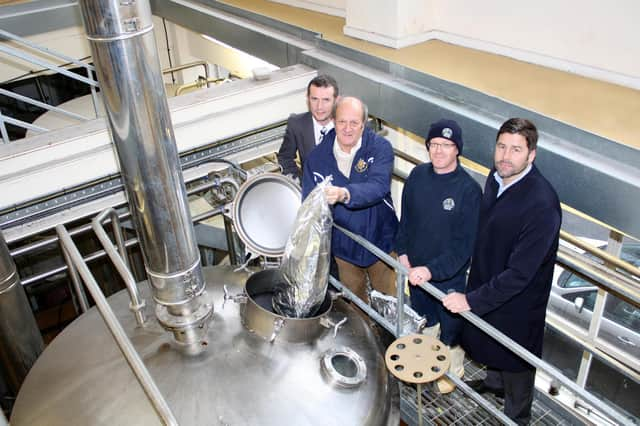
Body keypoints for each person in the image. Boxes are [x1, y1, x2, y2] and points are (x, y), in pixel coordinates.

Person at [443, 118, 561, 424]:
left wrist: (470, 300)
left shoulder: (542, 204)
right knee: (490, 344)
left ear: (531, 155)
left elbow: (521, 274)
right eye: (502, 146)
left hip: (520, 301)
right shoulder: (496, 177)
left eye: (516, 150)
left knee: (517, 360)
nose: (506, 156)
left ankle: (518, 417)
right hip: (488, 282)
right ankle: (494, 384)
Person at [396, 119, 481, 394]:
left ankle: (453, 372)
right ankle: (427, 362)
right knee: (425, 320)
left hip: (448, 279)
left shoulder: (469, 191)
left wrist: (431, 271)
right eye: (434, 145)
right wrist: (404, 252)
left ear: (457, 150)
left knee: (451, 331)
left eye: (447, 145)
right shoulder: (418, 176)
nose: (439, 151)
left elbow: (464, 248)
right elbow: (405, 220)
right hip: (417, 273)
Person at [302, 97, 398, 304]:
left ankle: (390, 334)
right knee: (355, 302)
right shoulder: (317, 158)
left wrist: (345, 194)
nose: (347, 128)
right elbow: (309, 202)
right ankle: (365, 333)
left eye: (354, 123)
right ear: (333, 122)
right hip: (344, 246)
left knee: (389, 300)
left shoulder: (380, 148)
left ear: (363, 124)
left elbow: (378, 186)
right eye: (342, 122)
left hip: (380, 241)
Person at [277, 74, 339, 180]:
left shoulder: (350, 124)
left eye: (326, 100)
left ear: (336, 100)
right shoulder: (296, 124)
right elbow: (285, 158)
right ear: (308, 99)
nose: (319, 107)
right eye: (314, 99)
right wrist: (300, 183)